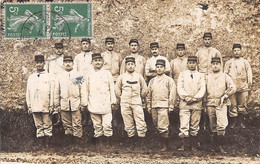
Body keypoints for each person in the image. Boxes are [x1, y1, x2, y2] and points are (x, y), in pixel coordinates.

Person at [54, 56, 87, 144]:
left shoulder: (78, 75)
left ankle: (78, 142)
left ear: (73, 63)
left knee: (77, 123)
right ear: (63, 64)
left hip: (76, 103)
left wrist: (83, 103)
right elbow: (57, 90)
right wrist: (56, 104)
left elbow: (83, 89)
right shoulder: (60, 76)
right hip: (64, 103)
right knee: (66, 124)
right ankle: (69, 142)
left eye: (69, 62)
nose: (68, 64)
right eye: (66, 62)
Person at [206, 57, 236, 153]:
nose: (215, 65)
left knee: (222, 124)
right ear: (211, 65)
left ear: (220, 65)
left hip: (221, 103)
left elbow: (233, 87)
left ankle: (220, 146)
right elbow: (203, 91)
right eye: (213, 64)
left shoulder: (225, 76)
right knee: (212, 125)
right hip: (210, 103)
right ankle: (213, 146)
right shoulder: (207, 77)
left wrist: (225, 95)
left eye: (217, 64)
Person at [115, 57, 148, 144]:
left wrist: (140, 97)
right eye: (128, 64)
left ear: (135, 65)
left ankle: (142, 140)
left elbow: (144, 89)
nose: (130, 66)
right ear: (125, 66)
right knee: (127, 120)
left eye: (132, 64)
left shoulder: (139, 77)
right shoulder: (121, 77)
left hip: (136, 101)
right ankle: (131, 139)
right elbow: (117, 90)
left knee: (140, 120)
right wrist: (122, 98)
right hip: (125, 101)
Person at [86, 53, 117, 144]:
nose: (98, 62)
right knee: (97, 124)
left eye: (99, 60)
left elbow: (112, 88)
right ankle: (99, 140)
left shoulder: (107, 74)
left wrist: (113, 101)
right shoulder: (88, 75)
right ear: (92, 62)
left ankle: (108, 140)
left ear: (102, 62)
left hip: (105, 102)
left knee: (107, 124)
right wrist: (85, 102)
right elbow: (86, 89)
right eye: (95, 61)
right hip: (94, 102)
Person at [146, 59, 176, 151]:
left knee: (163, 126)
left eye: (161, 67)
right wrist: (148, 105)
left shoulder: (169, 80)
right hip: (154, 105)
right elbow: (149, 93)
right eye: (157, 67)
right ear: (155, 68)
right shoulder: (152, 81)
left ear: (164, 68)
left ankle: (165, 145)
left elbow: (172, 93)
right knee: (156, 124)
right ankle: (159, 144)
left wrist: (171, 105)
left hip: (164, 105)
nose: (159, 69)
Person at [177, 56, 206, 151]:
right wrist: (186, 97)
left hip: (196, 103)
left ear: (196, 64)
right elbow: (179, 87)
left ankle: (194, 145)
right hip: (185, 103)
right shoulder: (182, 74)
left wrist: (195, 98)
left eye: (194, 63)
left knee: (195, 123)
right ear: (187, 64)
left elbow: (202, 88)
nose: (192, 64)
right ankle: (184, 145)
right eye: (190, 63)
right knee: (184, 123)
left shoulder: (201, 75)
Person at [26, 55, 53, 145]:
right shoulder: (31, 77)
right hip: (35, 105)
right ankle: (40, 143)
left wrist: (51, 105)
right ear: (35, 64)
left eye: (41, 62)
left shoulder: (49, 76)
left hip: (45, 103)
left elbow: (52, 91)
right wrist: (29, 106)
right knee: (38, 124)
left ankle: (47, 144)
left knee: (47, 123)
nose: (39, 64)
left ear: (44, 63)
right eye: (37, 63)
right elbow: (28, 92)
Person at [224, 44, 253, 129]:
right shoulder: (229, 63)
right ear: (232, 52)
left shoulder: (245, 62)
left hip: (243, 87)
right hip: (232, 88)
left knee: (242, 104)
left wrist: (249, 84)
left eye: (238, 50)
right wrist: (227, 86)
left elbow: (249, 74)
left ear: (241, 51)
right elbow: (225, 75)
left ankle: (241, 122)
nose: (236, 52)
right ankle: (233, 122)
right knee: (233, 105)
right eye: (235, 50)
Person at [101, 37, 123, 132]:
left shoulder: (118, 56)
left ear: (114, 45)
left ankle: (115, 119)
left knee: (116, 99)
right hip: (105, 80)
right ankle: (106, 120)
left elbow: (121, 68)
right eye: (108, 43)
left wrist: (120, 80)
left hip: (115, 79)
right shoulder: (102, 55)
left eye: (111, 43)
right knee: (105, 99)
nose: (110, 45)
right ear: (105, 45)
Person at [73, 38, 94, 127]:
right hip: (80, 80)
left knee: (90, 97)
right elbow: (75, 69)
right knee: (82, 98)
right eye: (83, 44)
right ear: (81, 45)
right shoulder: (78, 57)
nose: (85, 45)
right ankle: (83, 117)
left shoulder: (93, 55)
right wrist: (77, 81)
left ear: (89, 45)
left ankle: (90, 118)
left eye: (87, 44)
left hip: (90, 79)